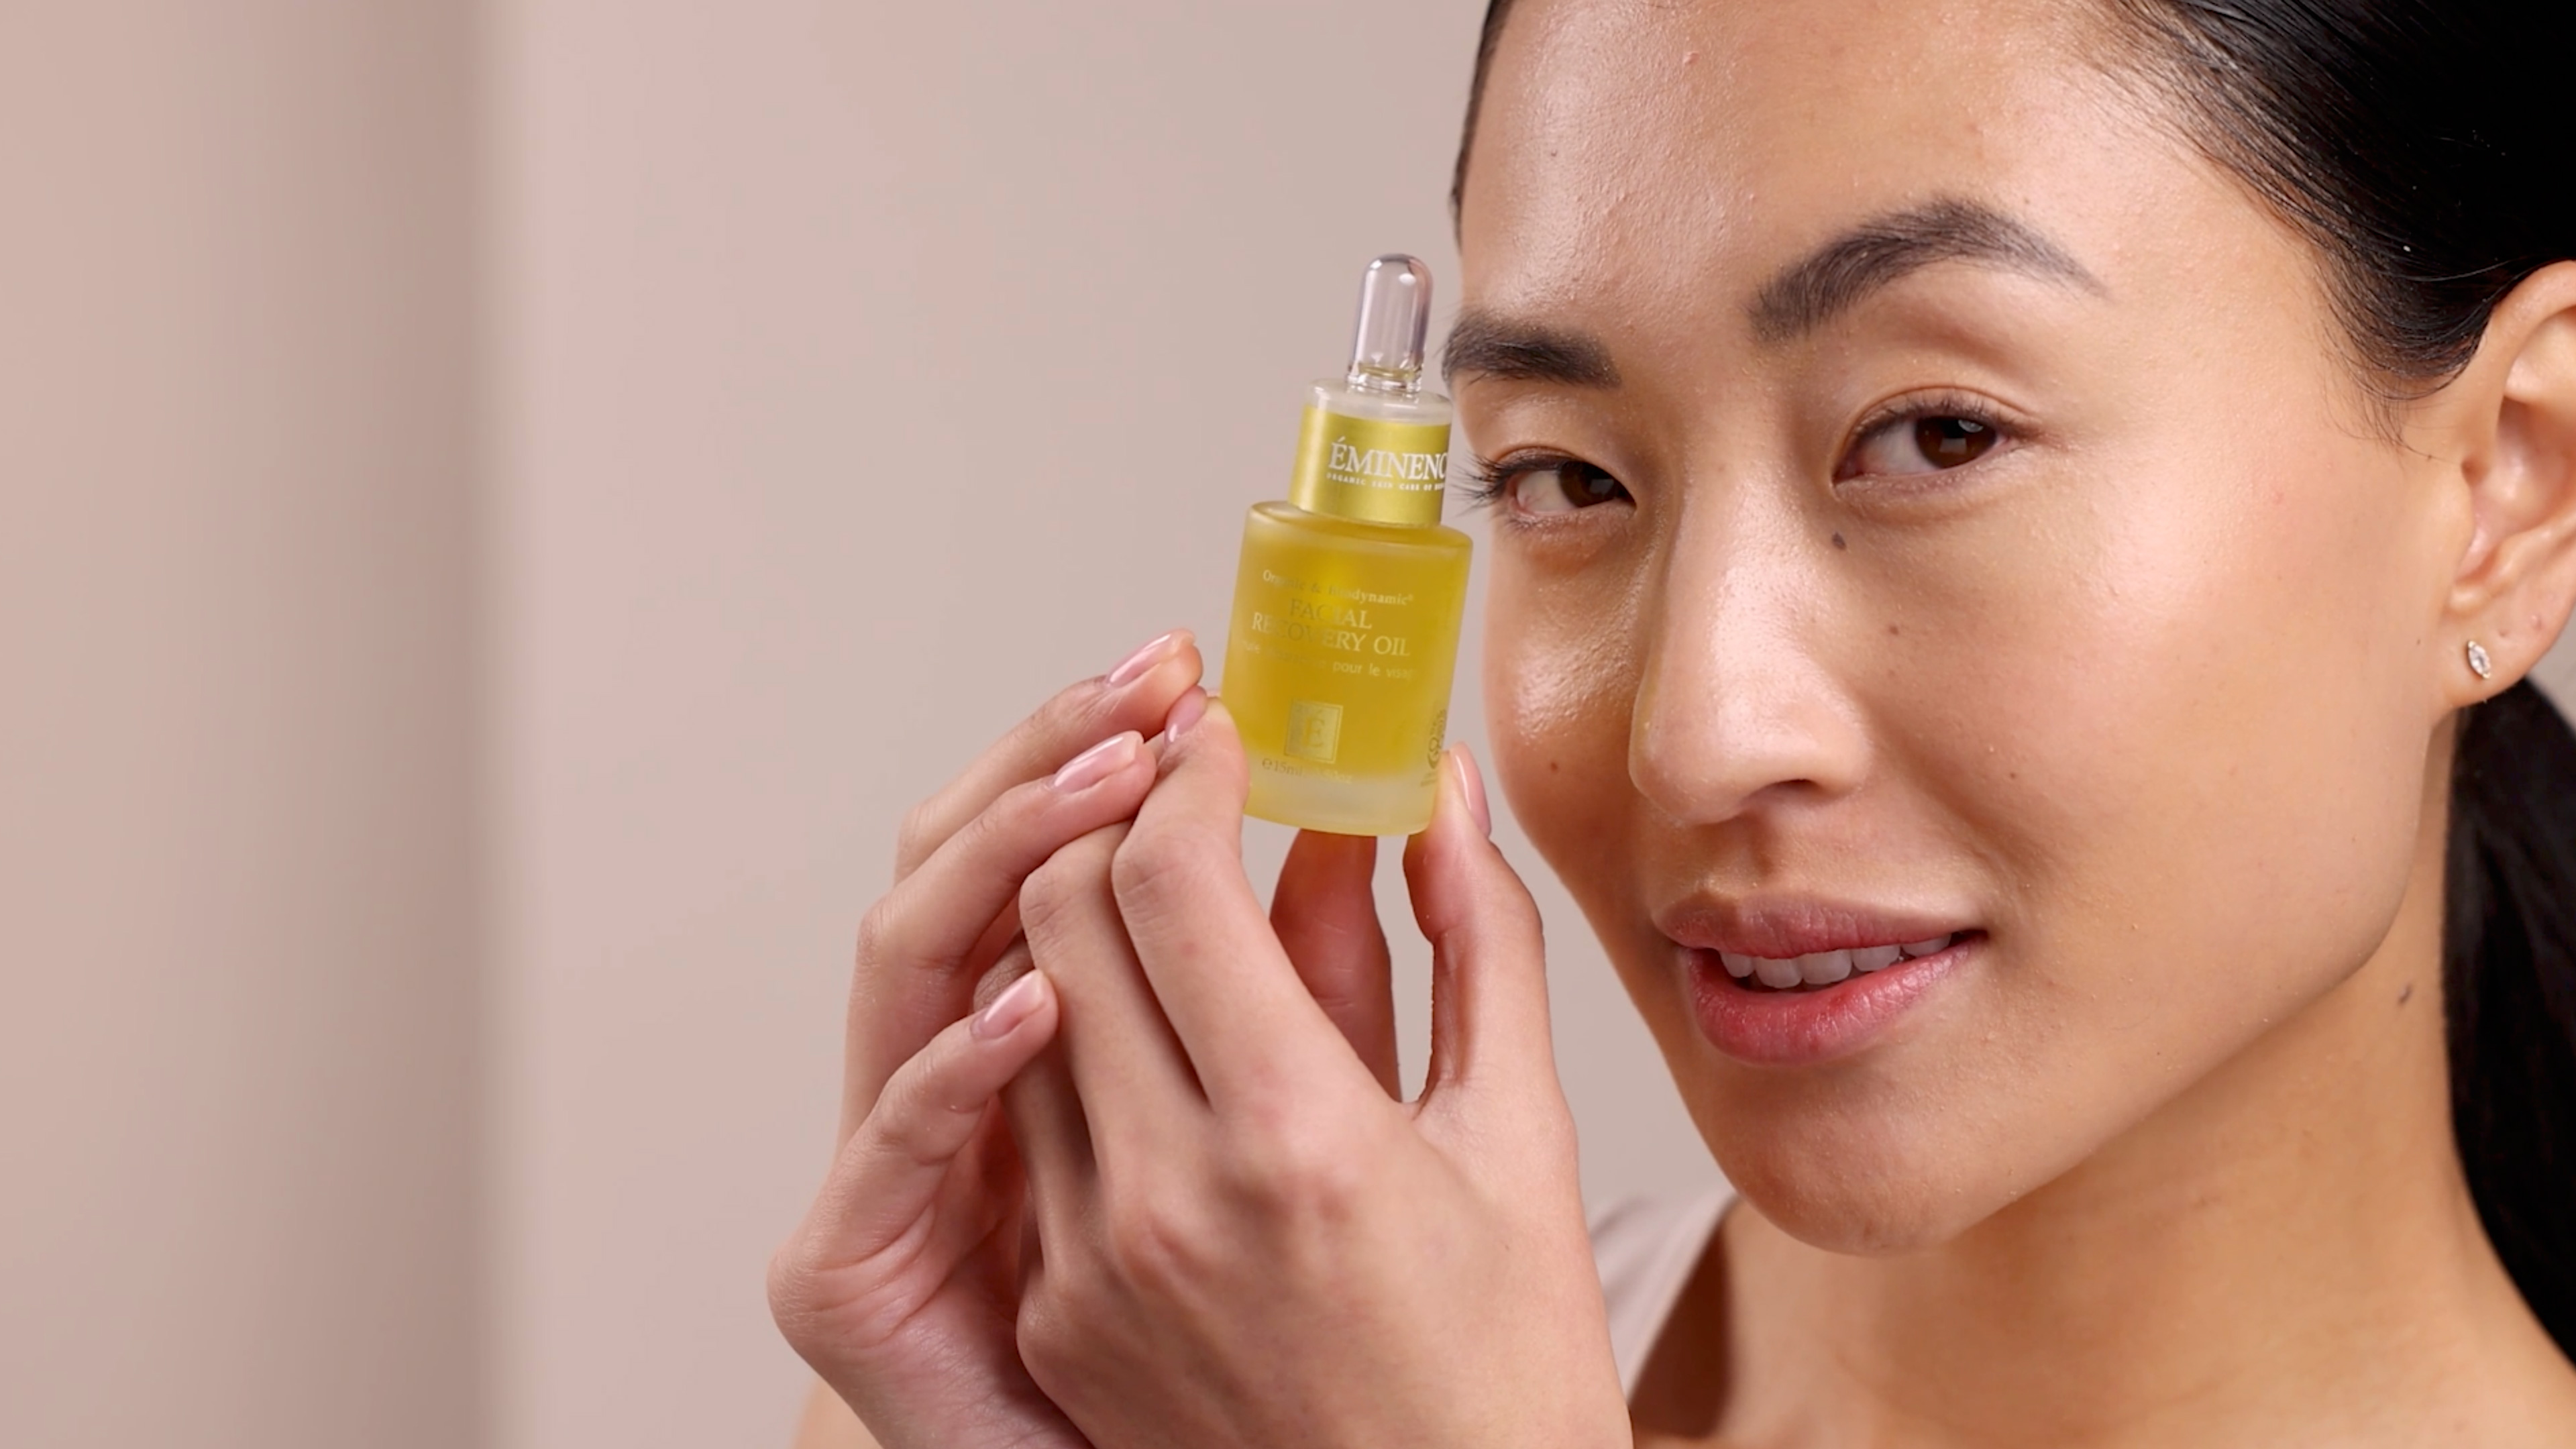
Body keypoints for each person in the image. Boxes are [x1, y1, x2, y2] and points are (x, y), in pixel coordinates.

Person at [769, 0, 2576, 1442]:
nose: (1694, 737)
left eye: (1937, 434)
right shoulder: (1186, 1403)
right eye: (1564, 476)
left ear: (2508, 489)